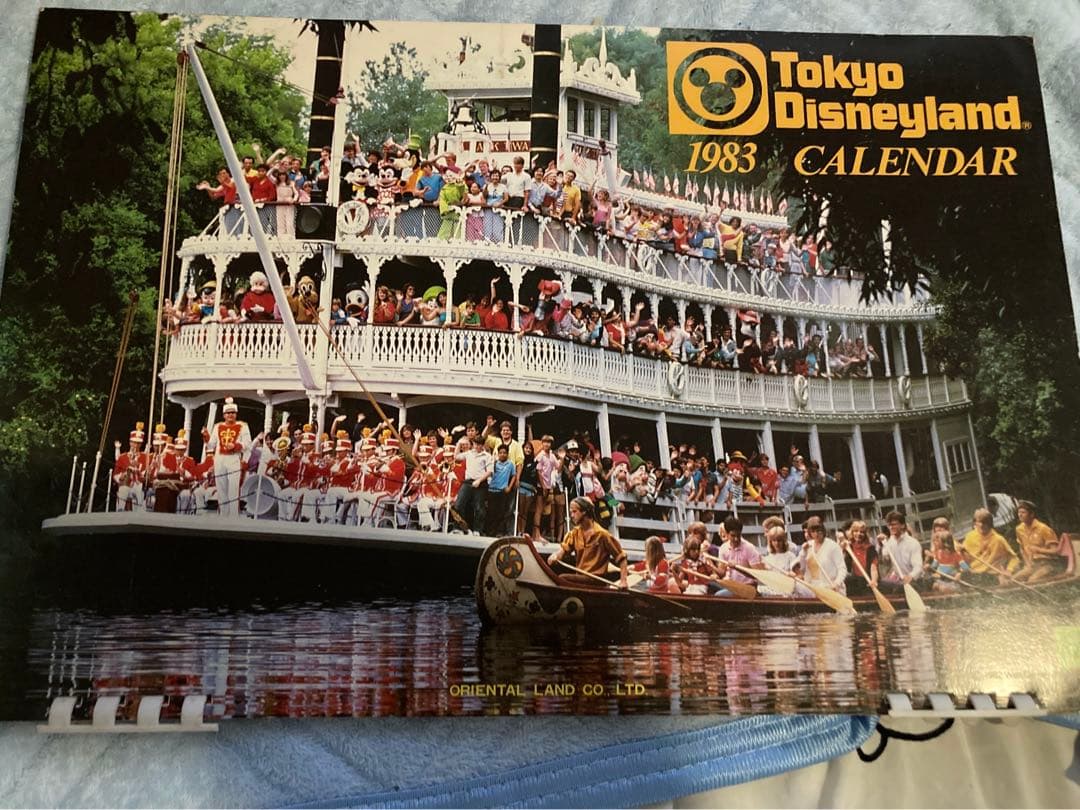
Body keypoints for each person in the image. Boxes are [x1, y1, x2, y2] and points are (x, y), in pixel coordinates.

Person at [547, 497, 629, 589]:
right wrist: (555, 556)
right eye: (571, 512)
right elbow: (563, 551)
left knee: (562, 578)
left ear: (584, 512)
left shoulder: (602, 534)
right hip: (581, 577)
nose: (572, 516)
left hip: (597, 579)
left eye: (574, 512)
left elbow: (622, 557)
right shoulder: (574, 533)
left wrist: (623, 581)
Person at [201, 397, 252, 518]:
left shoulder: (243, 426)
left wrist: (235, 446)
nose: (230, 415)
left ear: (236, 414)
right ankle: (223, 516)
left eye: (233, 412)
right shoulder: (217, 426)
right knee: (221, 489)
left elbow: (248, 444)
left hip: (233, 458)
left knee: (233, 490)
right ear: (224, 415)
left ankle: (233, 517)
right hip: (220, 459)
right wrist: (206, 437)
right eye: (228, 413)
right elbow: (211, 445)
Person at [961, 507, 1020, 586]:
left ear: (990, 524)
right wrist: (961, 554)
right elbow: (963, 556)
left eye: (985, 522)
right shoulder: (970, 536)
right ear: (975, 523)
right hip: (974, 573)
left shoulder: (998, 539)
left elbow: (1014, 558)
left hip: (991, 574)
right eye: (979, 522)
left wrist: (1009, 570)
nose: (981, 525)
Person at [1013, 500, 1068, 583]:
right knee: (1014, 580)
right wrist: (1027, 563)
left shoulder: (1043, 529)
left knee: (1032, 581)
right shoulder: (1019, 529)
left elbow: (1056, 551)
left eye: (1023, 512)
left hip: (1048, 564)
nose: (1020, 515)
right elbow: (1022, 548)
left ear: (1032, 514)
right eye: (1019, 512)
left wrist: (1039, 550)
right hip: (1033, 564)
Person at [711, 516, 764, 595]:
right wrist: (711, 565)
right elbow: (722, 573)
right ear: (727, 534)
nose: (736, 539)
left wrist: (737, 567)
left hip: (748, 587)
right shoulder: (723, 548)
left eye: (738, 535)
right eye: (733, 536)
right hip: (732, 585)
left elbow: (758, 575)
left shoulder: (749, 548)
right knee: (710, 586)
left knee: (719, 595)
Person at [796, 516, 847, 594]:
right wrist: (803, 552)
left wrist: (836, 583)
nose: (816, 534)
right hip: (813, 588)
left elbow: (842, 569)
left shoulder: (832, 546)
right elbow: (801, 568)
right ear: (810, 533)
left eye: (818, 531)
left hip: (830, 588)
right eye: (813, 532)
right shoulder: (808, 546)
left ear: (823, 530)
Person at [879, 510, 925, 591]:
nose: (891, 527)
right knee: (880, 584)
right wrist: (882, 545)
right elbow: (886, 562)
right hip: (899, 580)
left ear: (903, 525)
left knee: (898, 588)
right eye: (889, 525)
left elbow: (918, 567)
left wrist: (910, 576)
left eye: (894, 524)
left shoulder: (913, 543)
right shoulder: (889, 542)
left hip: (915, 580)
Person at [842, 520, 881, 596]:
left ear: (865, 534)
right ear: (852, 533)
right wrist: (842, 549)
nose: (859, 534)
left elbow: (873, 568)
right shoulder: (849, 547)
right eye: (856, 531)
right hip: (856, 580)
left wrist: (874, 581)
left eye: (862, 532)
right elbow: (843, 566)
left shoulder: (870, 548)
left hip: (868, 580)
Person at [485, 444, 517, 536]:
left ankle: (498, 532)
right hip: (492, 490)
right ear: (498, 454)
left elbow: (514, 475)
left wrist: (509, 487)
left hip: (502, 491)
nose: (502, 454)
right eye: (500, 453)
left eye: (504, 453)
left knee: (501, 513)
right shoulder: (494, 463)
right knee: (491, 512)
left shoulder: (510, 464)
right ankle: (489, 532)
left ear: (507, 454)